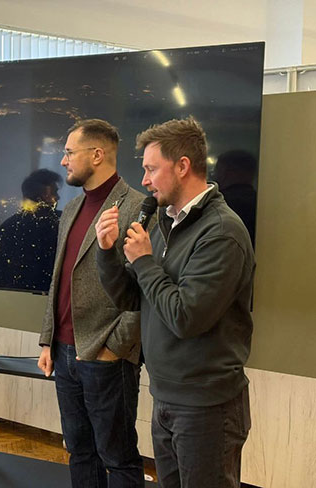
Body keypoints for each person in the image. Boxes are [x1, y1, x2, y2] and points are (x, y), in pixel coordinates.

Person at [96, 117, 254, 488]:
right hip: (166, 395)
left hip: (206, 404)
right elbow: (131, 298)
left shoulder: (222, 232)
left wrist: (144, 262)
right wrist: (107, 253)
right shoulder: (166, 223)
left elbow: (186, 317)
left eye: (151, 169)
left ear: (183, 166)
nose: (145, 180)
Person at [37, 119, 145, 487]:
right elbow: (59, 279)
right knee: (79, 451)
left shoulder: (138, 208)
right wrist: (48, 340)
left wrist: (115, 347)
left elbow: (145, 289)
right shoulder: (71, 209)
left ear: (97, 155)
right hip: (64, 351)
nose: (63, 160)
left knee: (118, 458)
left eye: (69, 152)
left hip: (106, 357)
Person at [0, 168, 62, 291]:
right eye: (54, 192)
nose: (57, 197)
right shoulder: (61, 222)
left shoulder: (9, 226)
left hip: (15, 294)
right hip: (43, 293)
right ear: (42, 195)